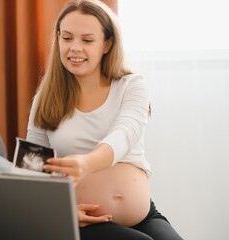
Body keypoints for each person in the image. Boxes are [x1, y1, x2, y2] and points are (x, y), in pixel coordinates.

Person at [26, 0, 183, 239]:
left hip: (142, 216)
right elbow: (32, 168)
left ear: (107, 44)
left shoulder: (132, 86)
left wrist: (87, 164)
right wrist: (59, 211)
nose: (74, 48)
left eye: (87, 40)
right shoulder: (45, 99)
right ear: (58, 38)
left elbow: (124, 134)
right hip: (81, 220)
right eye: (67, 38)